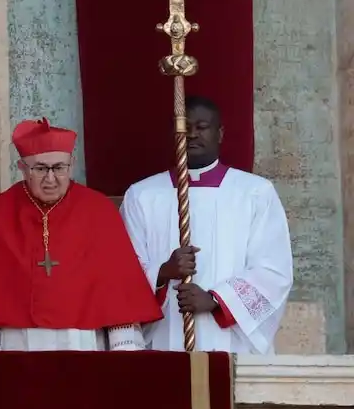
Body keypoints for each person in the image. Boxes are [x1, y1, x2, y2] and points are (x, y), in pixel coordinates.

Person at [0, 117, 162, 350]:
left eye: (59, 168)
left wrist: (123, 358)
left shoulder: (99, 211)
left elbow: (120, 297)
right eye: (41, 168)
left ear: (71, 164)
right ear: (22, 167)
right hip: (17, 350)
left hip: (84, 347)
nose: (51, 179)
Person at [120, 96, 293, 353]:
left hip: (231, 341)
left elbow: (273, 271)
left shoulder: (255, 193)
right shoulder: (142, 195)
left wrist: (216, 300)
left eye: (202, 127)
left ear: (219, 133)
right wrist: (163, 273)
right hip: (165, 337)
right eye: (184, 127)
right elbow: (122, 270)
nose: (191, 135)